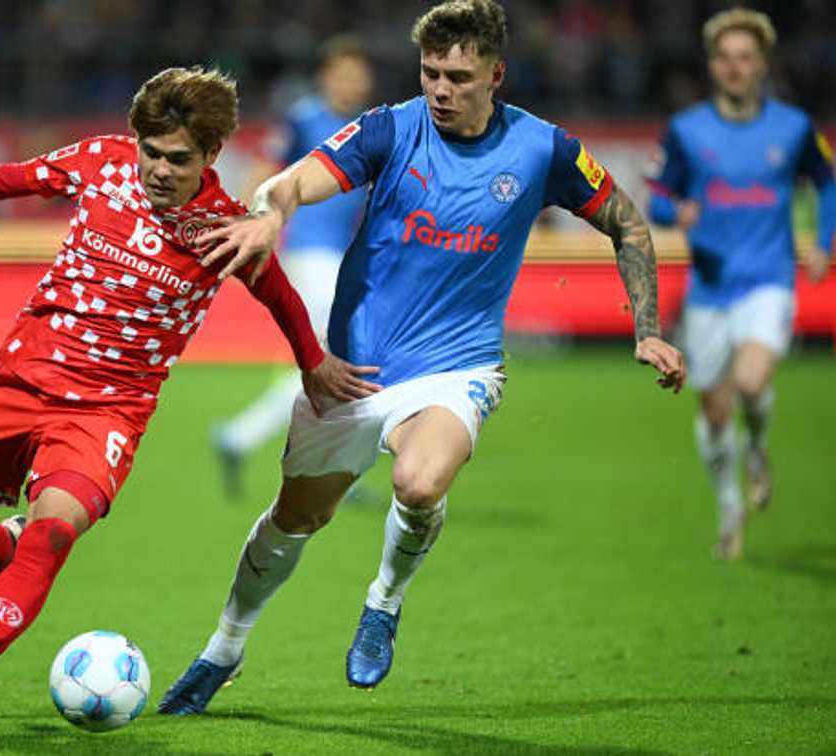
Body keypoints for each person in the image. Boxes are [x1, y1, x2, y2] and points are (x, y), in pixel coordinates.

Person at [0, 66, 382, 734]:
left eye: (179, 159)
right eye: (152, 152)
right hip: (19, 382)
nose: (160, 170)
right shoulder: (100, 162)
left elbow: (278, 294)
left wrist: (313, 365)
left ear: (211, 156)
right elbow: (1, 179)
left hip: (106, 412)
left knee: (53, 533)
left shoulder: (224, 228)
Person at [157, 0, 686, 715]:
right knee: (294, 521)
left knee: (418, 480)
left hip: (456, 367)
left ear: (496, 75)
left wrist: (645, 327)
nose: (440, 88)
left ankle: (383, 602)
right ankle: (224, 648)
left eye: (459, 77)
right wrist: (271, 212)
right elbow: (296, 179)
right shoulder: (389, 129)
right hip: (352, 369)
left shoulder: (543, 149)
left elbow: (626, 223)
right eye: (431, 72)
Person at [646, 8, 833, 561]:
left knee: (752, 382)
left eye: (745, 57)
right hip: (708, 290)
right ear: (712, 64)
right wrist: (674, 210)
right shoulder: (687, 131)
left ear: (762, 65)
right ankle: (730, 507)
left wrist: (823, 242)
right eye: (725, 57)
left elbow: (826, 185)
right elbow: (656, 195)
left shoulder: (794, 129)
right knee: (714, 410)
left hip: (768, 280)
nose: (734, 67)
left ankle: (757, 448)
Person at [212, 35, 375, 499]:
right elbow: (266, 166)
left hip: (345, 257)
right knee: (338, 364)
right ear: (326, 77)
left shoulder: (369, 127)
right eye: (344, 73)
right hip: (310, 253)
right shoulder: (305, 118)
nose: (352, 83)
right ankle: (331, 466)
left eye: (358, 75)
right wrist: (243, 221)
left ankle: (248, 440)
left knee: (333, 365)